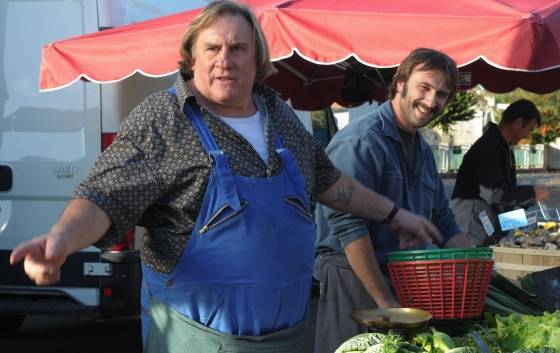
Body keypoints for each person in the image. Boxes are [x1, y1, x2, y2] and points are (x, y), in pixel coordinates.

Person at [9, 2, 443, 353]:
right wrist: (61, 240)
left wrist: (394, 214)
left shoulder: (280, 117)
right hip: (198, 340)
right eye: (212, 48)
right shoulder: (164, 119)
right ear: (191, 56)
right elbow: (105, 196)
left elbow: (333, 184)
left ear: (258, 60)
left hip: (288, 338)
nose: (224, 60)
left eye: (238, 49)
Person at [313, 48, 472, 353]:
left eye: (441, 93)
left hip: (399, 278)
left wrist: (476, 267)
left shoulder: (422, 150)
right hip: (352, 275)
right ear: (400, 83)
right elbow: (348, 225)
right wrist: (384, 302)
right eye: (423, 87)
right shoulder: (362, 140)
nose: (431, 101)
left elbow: (443, 220)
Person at [451, 99, 550, 246]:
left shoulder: (503, 147)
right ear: (518, 123)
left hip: (489, 229)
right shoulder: (489, 147)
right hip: (472, 231)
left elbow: (506, 191)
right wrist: (532, 193)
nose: (528, 136)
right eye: (529, 130)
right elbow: (496, 192)